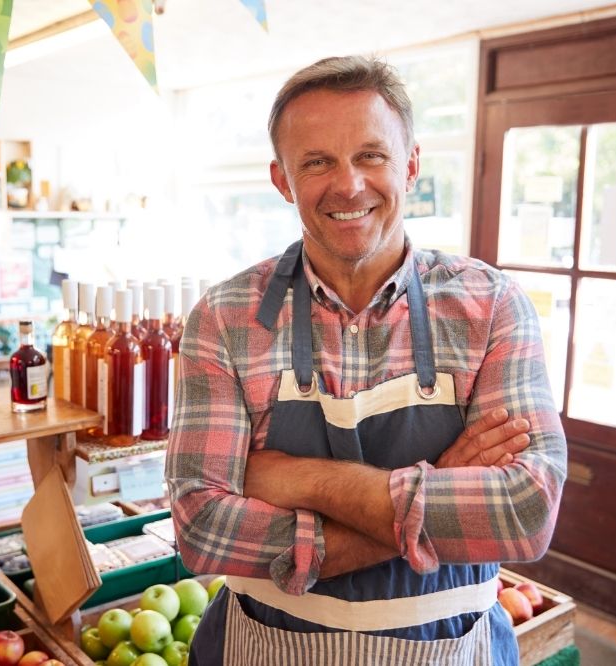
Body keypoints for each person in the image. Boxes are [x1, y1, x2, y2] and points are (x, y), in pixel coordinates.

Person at [165, 54, 567, 665]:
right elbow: (202, 530)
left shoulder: (492, 305)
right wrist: (442, 480)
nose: (348, 184)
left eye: (371, 156)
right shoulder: (224, 319)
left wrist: (300, 478)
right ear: (283, 181)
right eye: (318, 161)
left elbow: (526, 513)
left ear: (410, 164)